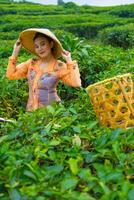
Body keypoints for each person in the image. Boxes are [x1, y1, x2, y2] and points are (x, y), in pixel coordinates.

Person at [6, 28, 81, 111]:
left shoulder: (59, 66)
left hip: (52, 113)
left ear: (51, 44)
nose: (40, 48)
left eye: (43, 44)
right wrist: (15, 52)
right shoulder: (31, 63)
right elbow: (11, 75)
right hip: (31, 112)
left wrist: (69, 60)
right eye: (36, 46)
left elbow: (76, 83)